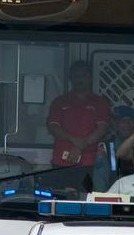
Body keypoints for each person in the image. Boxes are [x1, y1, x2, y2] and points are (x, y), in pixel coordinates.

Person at [47, 61, 111, 191]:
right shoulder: (60, 101)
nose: (79, 79)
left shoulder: (100, 102)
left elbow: (101, 129)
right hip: (60, 162)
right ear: (71, 78)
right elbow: (53, 127)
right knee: (60, 199)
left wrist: (79, 146)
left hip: (89, 164)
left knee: (86, 199)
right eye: (76, 76)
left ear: (90, 78)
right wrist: (73, 139)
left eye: (83, 76)